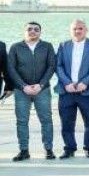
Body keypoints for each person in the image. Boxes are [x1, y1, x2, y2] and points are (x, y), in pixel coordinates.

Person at [8, 22, 56, 161]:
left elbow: (51, 66)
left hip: (42, 90)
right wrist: (23, 86)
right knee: (22, 121)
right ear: (25, 31)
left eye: (36, 29)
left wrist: (41, 85)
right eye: (29, 29)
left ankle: (48, 149)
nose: (33, 31)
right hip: (21, 91)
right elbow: (11, 69)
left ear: (40, 32)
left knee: (46, 120)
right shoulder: (16, 47)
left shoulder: (47, 46)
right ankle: (24, 150)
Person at [55, 19, 89, 159]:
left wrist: (85, 82)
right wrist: (67, 83)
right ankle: (69, 148)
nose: (77, 31)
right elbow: (58, 66)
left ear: (86, 30)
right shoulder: (63, 45)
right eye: (75, 28)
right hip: (66, 91)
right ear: (71, 30)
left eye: (80, 28)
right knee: (67, 122)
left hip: (86, 91)